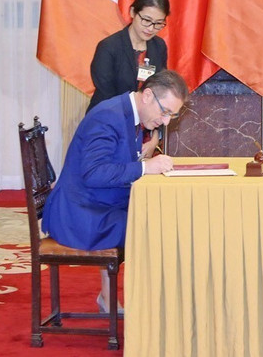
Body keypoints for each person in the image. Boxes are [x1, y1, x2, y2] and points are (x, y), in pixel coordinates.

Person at [43, 70, 185, 311]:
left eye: (173, 115)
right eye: (165, 112)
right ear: (147, 95)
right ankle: (151, 310)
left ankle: (136, 303)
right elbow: (94, 173)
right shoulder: (108, 117)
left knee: (162, 216)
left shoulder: (125, 112)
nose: (166, 121)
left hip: (97, 205)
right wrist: (143, 167)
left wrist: (143, 165)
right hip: (80, 215)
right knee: (153, 229)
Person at [89, 0, 169, 113]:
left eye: (158, 23)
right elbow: (107, 96)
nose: (151, 28)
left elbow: (159, 89)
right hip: (109, 119)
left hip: (144, 121)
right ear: (133, 12)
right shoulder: (109, 47)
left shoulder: (159, 46)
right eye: (146, 20)